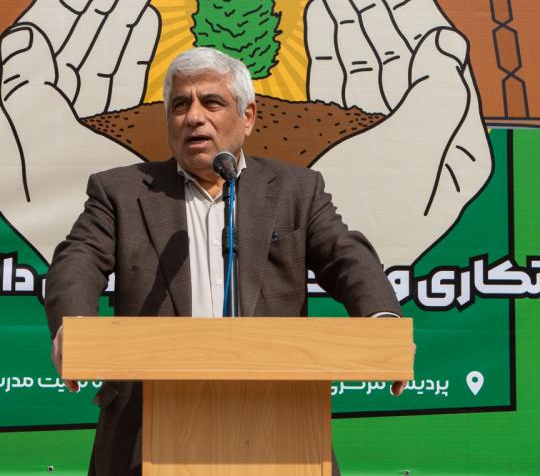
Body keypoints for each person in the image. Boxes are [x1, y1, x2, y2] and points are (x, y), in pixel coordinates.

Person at [44, 47, 403, 476]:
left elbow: (346, 256)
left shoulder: (296, 191)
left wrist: (382, 319)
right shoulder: (120, 192)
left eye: (211, 102)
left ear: (247, 116)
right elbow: (78, 259)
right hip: (145, 433)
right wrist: (72, 325)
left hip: (278, 429)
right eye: (181, 105)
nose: (194, 117)